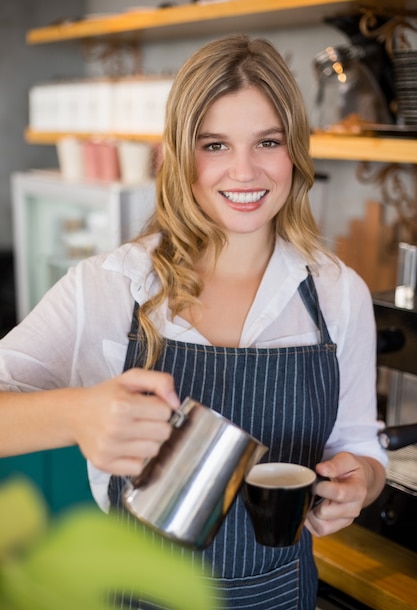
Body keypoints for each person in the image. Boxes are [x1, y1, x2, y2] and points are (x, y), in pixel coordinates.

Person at [0, 34, 386, 609]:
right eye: (214, 145)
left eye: (268, 141)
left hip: (281, 596)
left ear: (294, 151)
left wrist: (362, 482)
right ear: (179, 153)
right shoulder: (109, 287)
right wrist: (76, 414)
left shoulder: (337, 294)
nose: (244, 170)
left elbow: (360, 443)